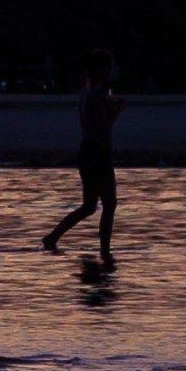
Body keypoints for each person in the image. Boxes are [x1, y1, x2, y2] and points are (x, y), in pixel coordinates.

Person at [42, 50, 125, 258]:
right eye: (109, 66)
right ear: (101, 69)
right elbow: (100, 126)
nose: (112, 71)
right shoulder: (96, 95)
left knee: (89, 206)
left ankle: (52, 238)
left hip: (88, 152)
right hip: (97, 153)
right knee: (109, 204)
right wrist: (118, 111)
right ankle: (105, 252)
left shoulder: (87, 91)